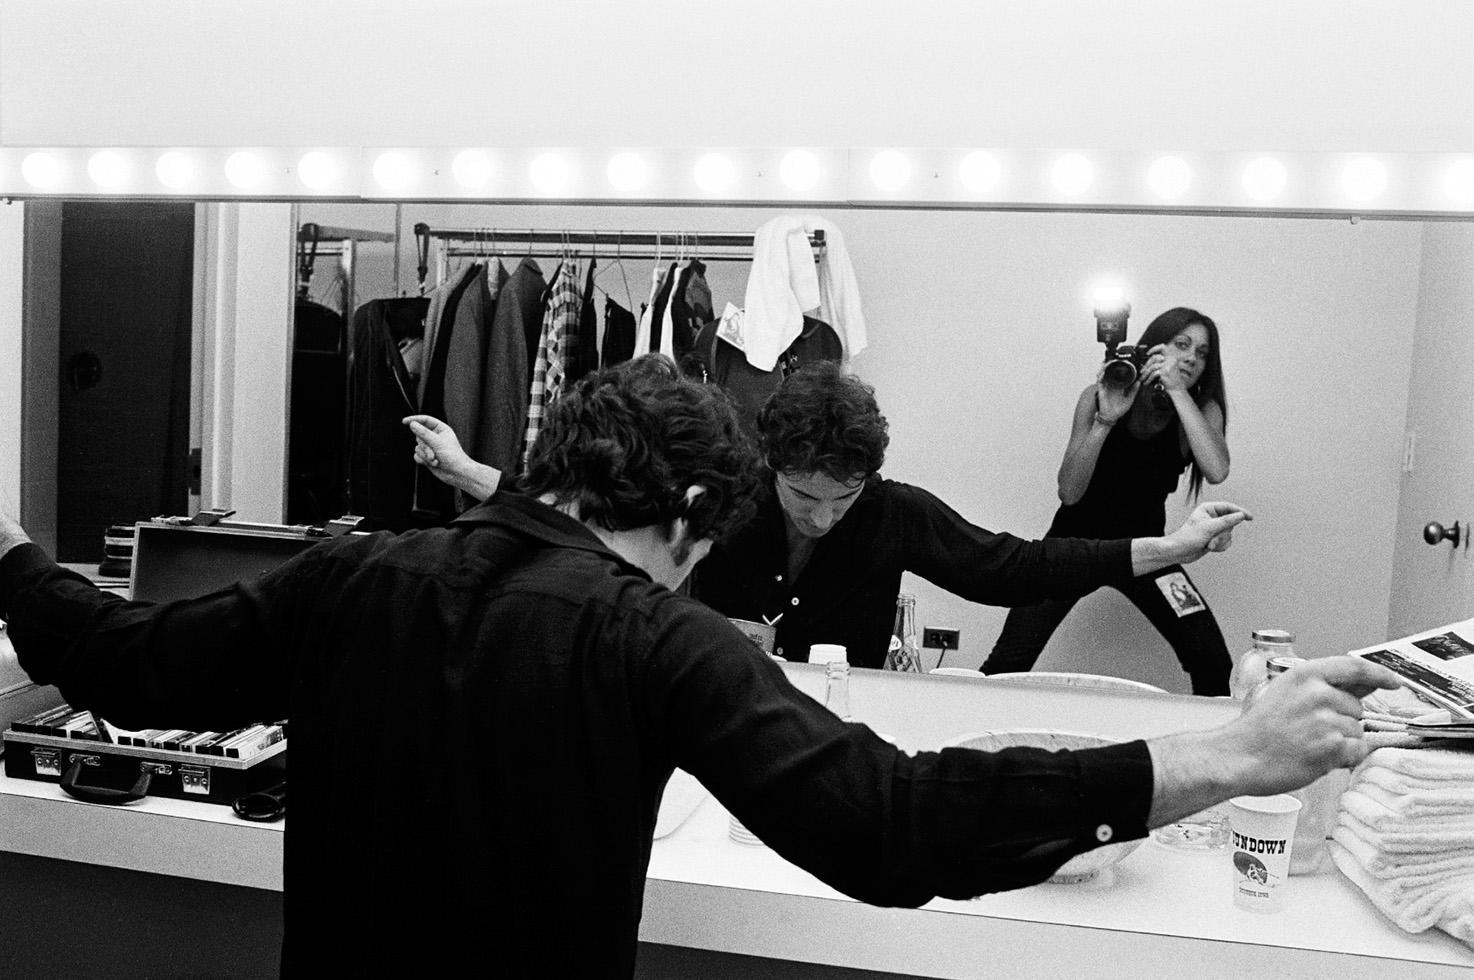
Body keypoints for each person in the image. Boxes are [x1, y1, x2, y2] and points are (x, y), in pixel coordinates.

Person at [0, 355, 1400, 977]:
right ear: (682, 521)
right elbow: (890, 828)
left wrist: (8, 547)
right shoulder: (647, 632)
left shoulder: (351, 574)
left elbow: (117, 659)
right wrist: (1217, 756)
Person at [408, 360, 1246, 671]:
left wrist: (1168, 546)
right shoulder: (720, 499)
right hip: (705, 692)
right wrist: (470, 474)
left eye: (843, 499)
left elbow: (1014, 569)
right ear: (769, 467)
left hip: (844, 716)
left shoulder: (897, 514)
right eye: (804, 495)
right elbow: (591, 522)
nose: (822, 516)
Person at [983, 307, 1234, 694]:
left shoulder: (1200, 410)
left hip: (1148, 551)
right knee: (1009, 661)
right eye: (1181, 345)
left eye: (1201, 353)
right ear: (1153, 348)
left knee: (1212, 661)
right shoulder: (1100, 395)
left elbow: (1216, 469)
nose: (1190, 358)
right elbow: (1069, 492)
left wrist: (1178, 393)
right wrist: (1106, 419)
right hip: (1072, 545)